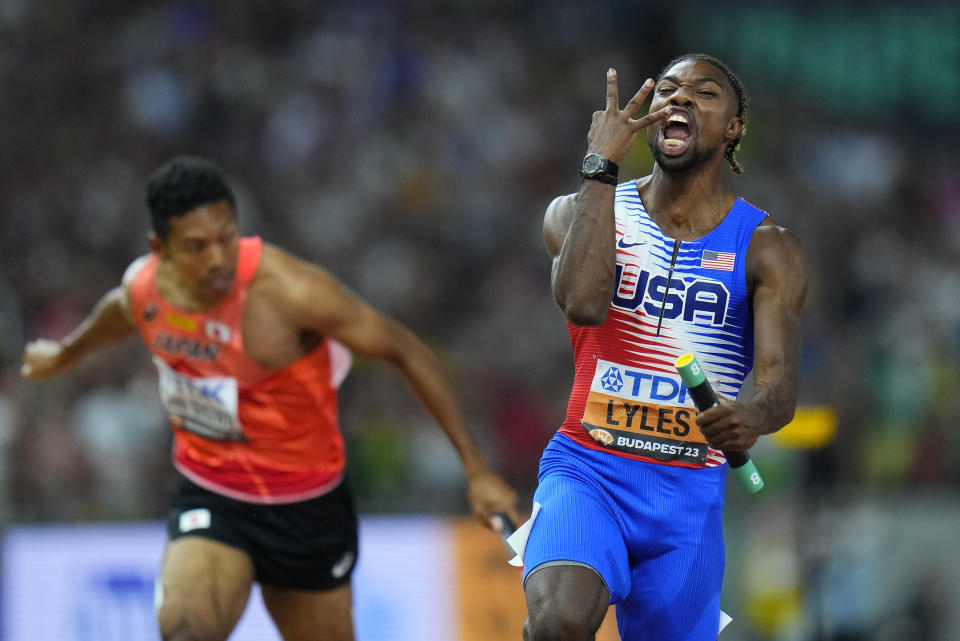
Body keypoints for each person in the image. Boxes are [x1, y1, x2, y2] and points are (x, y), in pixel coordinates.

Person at [21, 156, 521, 641]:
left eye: (226, 237)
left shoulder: (289, 293)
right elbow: (117, 312)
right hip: (211, 491)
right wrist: (64, 354)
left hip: (307, 505)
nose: (217, 259)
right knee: (186, 629)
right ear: (161, 248)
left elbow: (407, 351)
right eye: (197, 247)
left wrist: (477, 471)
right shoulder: (145, 290)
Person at [517, 54, 807, 641]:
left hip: (688, 492)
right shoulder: (577, 211)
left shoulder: (767, 247)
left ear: (733, 128)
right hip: (588, 466)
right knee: (559, 622)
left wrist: (752, 414)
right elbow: (581, 303)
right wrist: (601, 167)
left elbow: (780, 387)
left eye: (704, 93)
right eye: (669, 90)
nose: (680, 99)